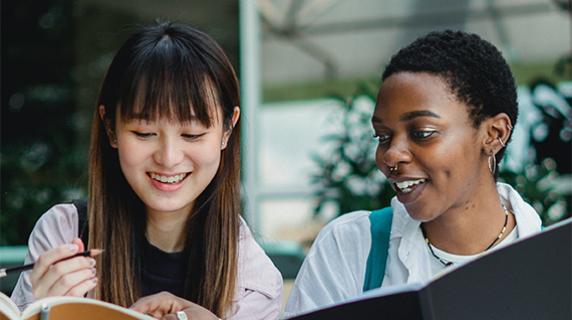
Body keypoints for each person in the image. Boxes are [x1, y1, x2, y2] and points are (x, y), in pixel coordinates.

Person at [11, 21, 282, 320]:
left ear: (227, 131)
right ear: (111, 128)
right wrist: (44, 312)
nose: (168, 158)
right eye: (143, 133)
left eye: (191, 135)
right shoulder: (64, 234)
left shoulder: (252, 281)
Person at [284, 30, 543, 316]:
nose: (391, 155)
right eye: (382, 137)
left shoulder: (554, 262)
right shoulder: (350, 249)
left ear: (494, 134)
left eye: (422, 133)